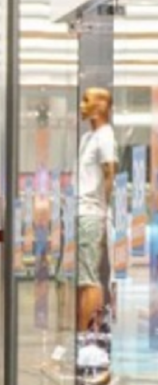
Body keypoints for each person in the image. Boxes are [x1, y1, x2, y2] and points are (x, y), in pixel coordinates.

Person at [77, 87, 116, 332]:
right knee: (82, 279)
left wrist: (102, 212)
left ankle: (88, 341)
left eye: (87, 101)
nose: (82, 106)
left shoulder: (105, 136)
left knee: (90, 279)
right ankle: (80, 339)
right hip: (82, 213)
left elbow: (110, 174)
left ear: (101, 105)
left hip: (92, 214)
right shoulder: (87, 138)